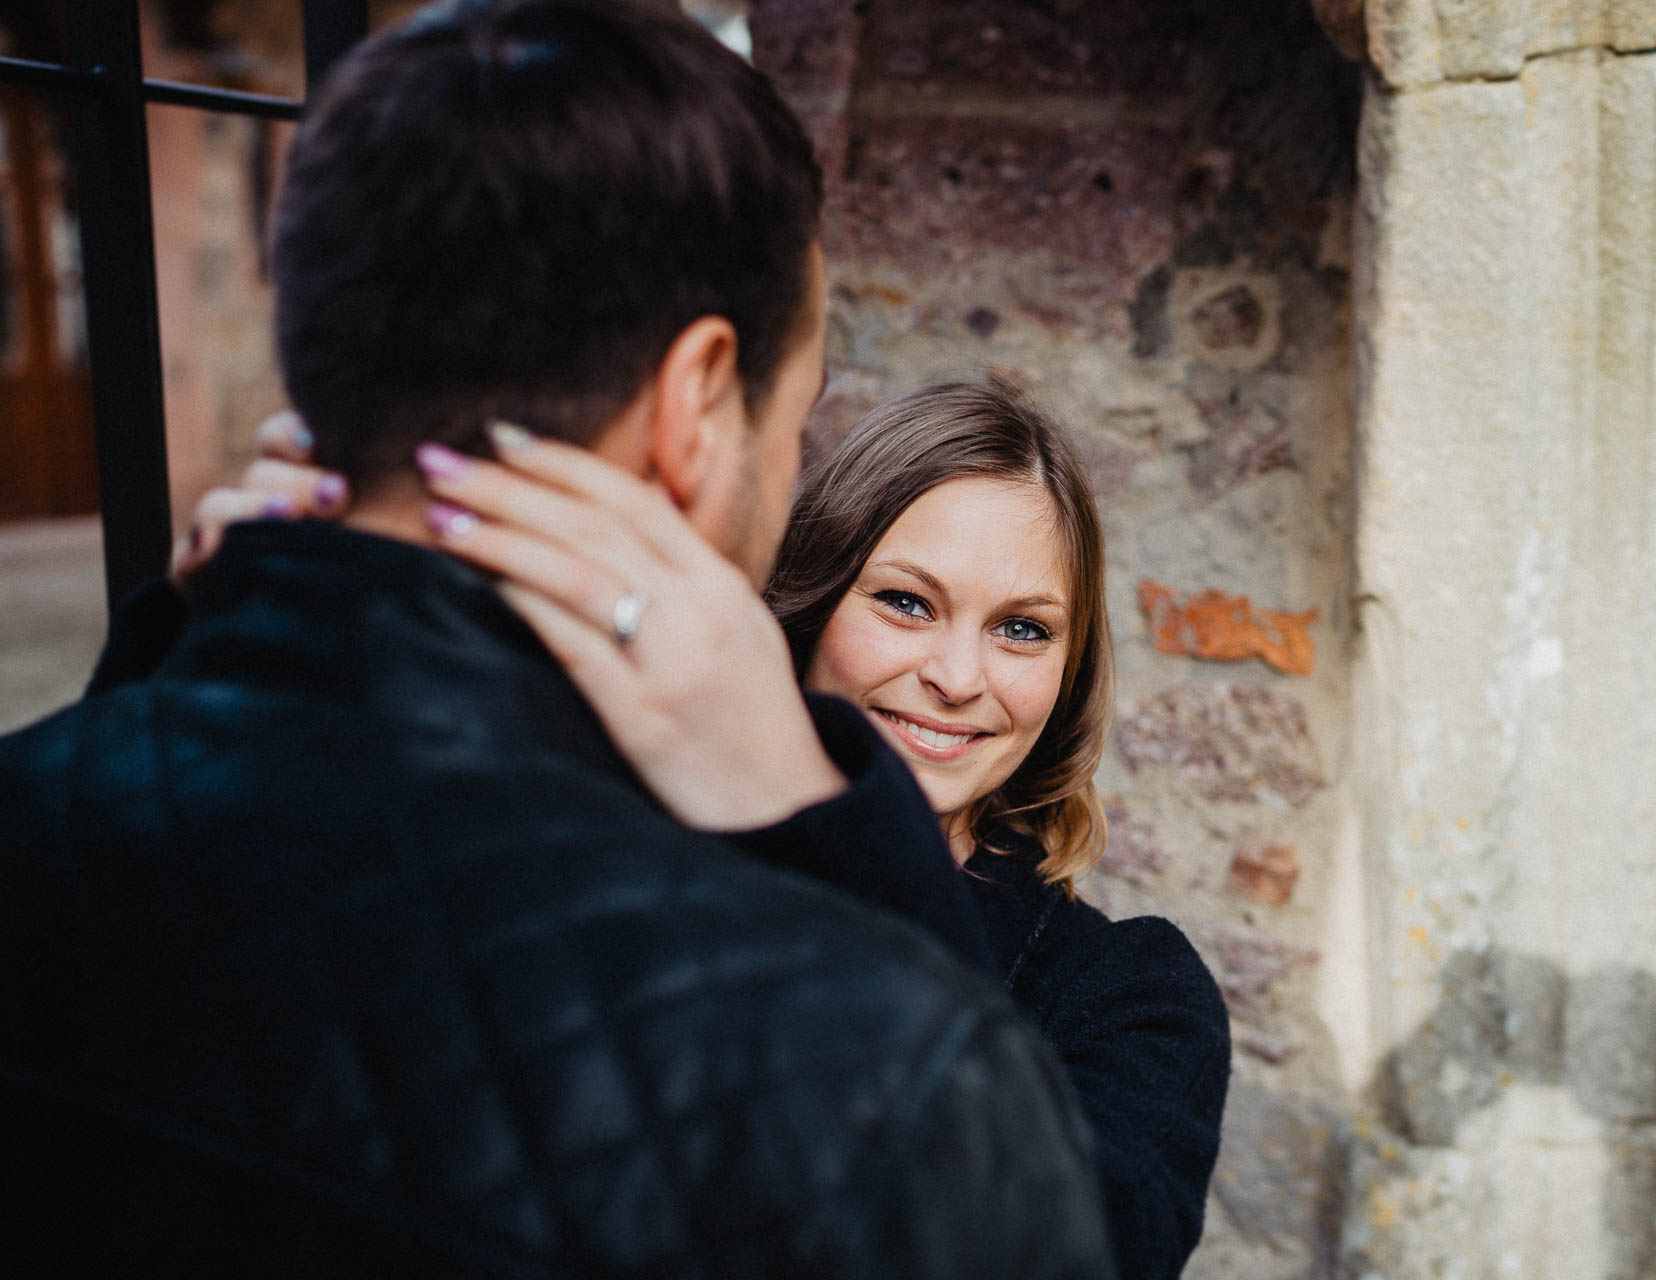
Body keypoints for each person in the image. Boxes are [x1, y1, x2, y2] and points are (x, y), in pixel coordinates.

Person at [0, 2, 1116, 1275]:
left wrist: (196, 658)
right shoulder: (888, 1071)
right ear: (698, 402)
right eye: (794, 408)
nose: (959, 670)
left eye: (1023, 626)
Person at [176, 378, 1233, 1278]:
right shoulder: (613, 863)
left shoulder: (1132, 993)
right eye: (907, 602)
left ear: (1069, 667)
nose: (959, 678)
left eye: (1021, 628)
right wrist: (235, 653)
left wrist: (834, 831)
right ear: (810, 605)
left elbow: (1081, 1250)